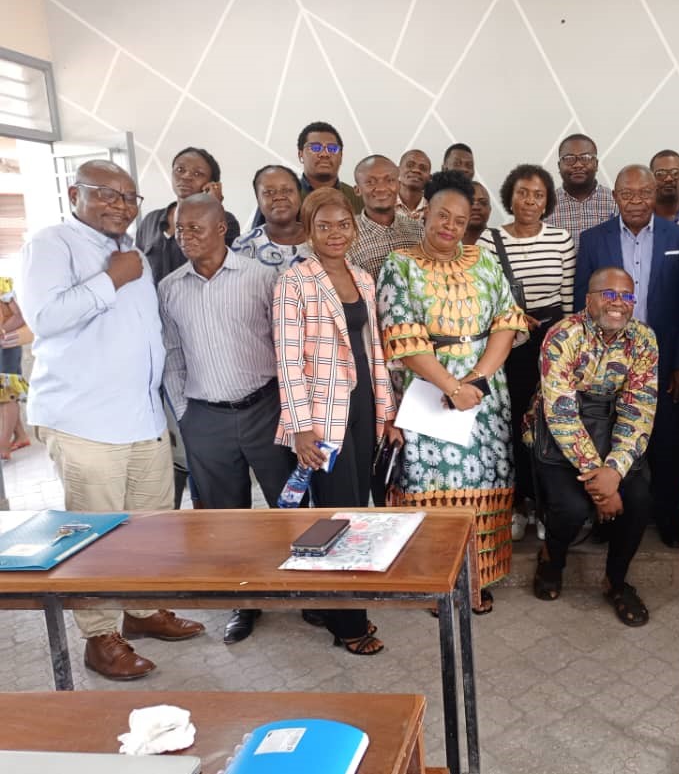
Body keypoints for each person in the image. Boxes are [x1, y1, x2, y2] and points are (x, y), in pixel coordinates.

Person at [21, 160, 204, 680]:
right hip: (84, 419)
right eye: (107, 194)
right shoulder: (51, 244)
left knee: (149, 528)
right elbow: (45, 318)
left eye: (129, 197)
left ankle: (142, 610)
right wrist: (111, 279)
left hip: (141, 416)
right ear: (74, 194)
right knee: (95, 533)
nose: (121, 206)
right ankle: (99, 635)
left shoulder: (132, 253)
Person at [378, 171, 528, 613]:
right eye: (443, 215)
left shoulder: (483, 261)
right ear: (424, 213)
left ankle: (476, 579)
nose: (450, 226)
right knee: (431, 488)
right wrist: (451, 386)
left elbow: (507, 322)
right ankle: (435, 581)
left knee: (485, 485)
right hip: (427, 393)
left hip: (484, 396)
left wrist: (476, 381)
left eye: (460, 220)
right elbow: (402, 339)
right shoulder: (399, 265)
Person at [159, 193, 295, 645]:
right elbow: (173, 356)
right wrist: (186, 416)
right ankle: (245, 600)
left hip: (265, 409)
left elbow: (285, 345)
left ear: (221, 229)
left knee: (289, 508)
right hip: (206, 419)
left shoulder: (261, 278)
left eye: (195, 228)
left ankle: (305, 592)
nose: (186, 237)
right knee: (227, 520)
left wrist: (289, 408)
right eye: (180, 229)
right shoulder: (170, 288)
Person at [274, 187, 401, 655]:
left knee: (358, 505)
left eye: (343, 224)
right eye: (323, 226)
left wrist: (387, 413)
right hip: (321, 415)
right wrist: (301, 427)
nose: (334, 234)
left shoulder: (362, 277)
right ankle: (349, 623)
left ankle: (330, 601)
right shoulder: (294, 281)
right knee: (338, 510)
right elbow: (287, 360)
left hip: (362, 403)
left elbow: (375, 350)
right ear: (308, 231)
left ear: (354, 228)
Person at [574, 165, 679, 548]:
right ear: (615, 197)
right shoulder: (593, 239)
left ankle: (667, 520)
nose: (637, 201)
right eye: (627, 194)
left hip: (663, 359)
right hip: (607, 358)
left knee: (666, 440)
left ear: (656, 193)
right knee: (606, 436)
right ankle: (607, 519)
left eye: (644, 193)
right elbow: (582, 302)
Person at [531, 267, 658, 626]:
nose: (619, 303)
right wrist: (599, 485)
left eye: (627, 296)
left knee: (639, 498)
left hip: (615, 428)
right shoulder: (562, 335)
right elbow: (560, 413)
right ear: (589, 300)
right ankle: (551, 559)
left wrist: (614, 472)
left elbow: (639, 409)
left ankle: (616, 581)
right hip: (562, 432)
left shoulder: (644, 338)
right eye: (609, 294)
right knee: (570, 507)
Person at [477, 164, 575, 541]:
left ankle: (548, 505)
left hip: (553, 343)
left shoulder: (561, 240)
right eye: (523, 193)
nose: (530, 201)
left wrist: (566, 347)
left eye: (538, 195)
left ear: (547, 201)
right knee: (515, 423)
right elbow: (485, 297)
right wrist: (514, 320)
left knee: (551, 424)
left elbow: (568, 301)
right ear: (510, 196)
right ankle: (519, 504)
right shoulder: (489, 241)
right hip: (509, 344)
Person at [136, 146, 241, 284]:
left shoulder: (226, 221)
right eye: (180, 170)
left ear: (211, 184)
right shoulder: (151, 220)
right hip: (155, 297)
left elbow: (224, 268)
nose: (186, 177)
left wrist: (213, 206)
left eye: (198, 174)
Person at [251, 122, 363, 229]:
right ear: (300, 154)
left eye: (332, 149)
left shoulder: (357, 197)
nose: (324, 154)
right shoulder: (283, 197)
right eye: (315, 148)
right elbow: (258, 237)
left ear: (341, 155)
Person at [347, 155, 423, 280]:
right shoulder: (346, 236)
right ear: (357, 190)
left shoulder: (419, 230)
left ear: (399, 185)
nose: (381, 188)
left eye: (390, 180)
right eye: (370, 182)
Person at [232, 165, 311, 273]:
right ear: (258, 200)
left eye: (287, 190)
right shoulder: (244, 245)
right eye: (269, 192)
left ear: (299, 196)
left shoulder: (319, 236)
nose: (279, 197)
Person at [545, 133, 617, 244]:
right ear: (559, 166)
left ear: (596, 164)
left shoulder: (615, 202)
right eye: (569, 159)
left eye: (585, 158)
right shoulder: (545, 205)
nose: (578, 165)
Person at [0, 280, 30, 459]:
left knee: (7, 394)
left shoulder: (2, 283)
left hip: (7, 345)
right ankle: (21, 435)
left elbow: (20, 316)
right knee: (3, 395)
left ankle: (3, 446)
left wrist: (2, 330)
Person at [396, 149, 432, 221]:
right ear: (397, 170)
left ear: (429, 178)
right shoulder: (383, 204)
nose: (416, 170)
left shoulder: (433, 210)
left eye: (423, 168)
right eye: (410, 165)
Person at [650, 149, 679, 223]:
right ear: (651, 178)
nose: (668, 179)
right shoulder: (641, 216)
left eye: (675, 173)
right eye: (660, 174)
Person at [464, 181, 496, 246]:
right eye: (470, 202)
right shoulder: (445, 243)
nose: (475, 207)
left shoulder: (504, 242)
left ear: (490, 210)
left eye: (483, 202)